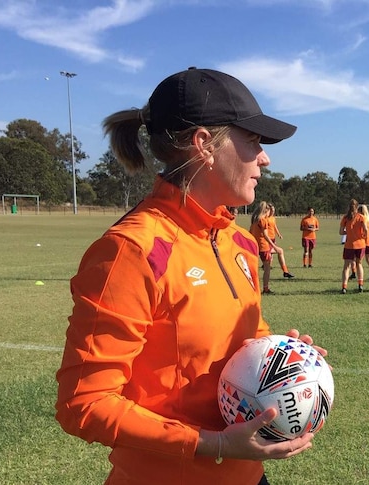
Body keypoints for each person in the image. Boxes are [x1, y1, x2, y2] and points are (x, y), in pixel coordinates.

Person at [55, 67, 324, 485]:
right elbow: (84, 404)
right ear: (205, 145)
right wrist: (211, 444)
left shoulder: (240, 244)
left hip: (249, 476)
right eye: (252, 140)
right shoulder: (133, 250)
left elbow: (239, 341)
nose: (265, 157)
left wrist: (279, 357)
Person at [250, 201, 285, 295]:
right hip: (263, 246)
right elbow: (266, 236)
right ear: (267, 211)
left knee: (253, 268)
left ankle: (253, 288)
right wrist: (274, 246)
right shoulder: (263, 220)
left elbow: (250, 232)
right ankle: (265, 289)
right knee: (267, 268)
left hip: (255, 246)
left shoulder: (255, 219)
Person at [339, 198, 367, 293]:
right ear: (357, 207)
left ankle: (344, 287)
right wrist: (363, 236)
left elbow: (341, 232)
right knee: (359, 264)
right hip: (360, 244)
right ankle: (360, 285)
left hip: (349, 245)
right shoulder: (361, 217)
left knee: (346, 266)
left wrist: (348, 232)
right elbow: (366, 230)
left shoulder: (345, 218)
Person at [267, 203, 295, 278]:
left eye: (273, 210)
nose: (272, 212)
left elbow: (274, 227)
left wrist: (278, 234)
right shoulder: (265, 219)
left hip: (272, 238)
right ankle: (284, 271)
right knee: (273, 252)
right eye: (271, 210)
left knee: (273, 253)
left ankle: (268, 265)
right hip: (266, 239)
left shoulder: (273, 218)